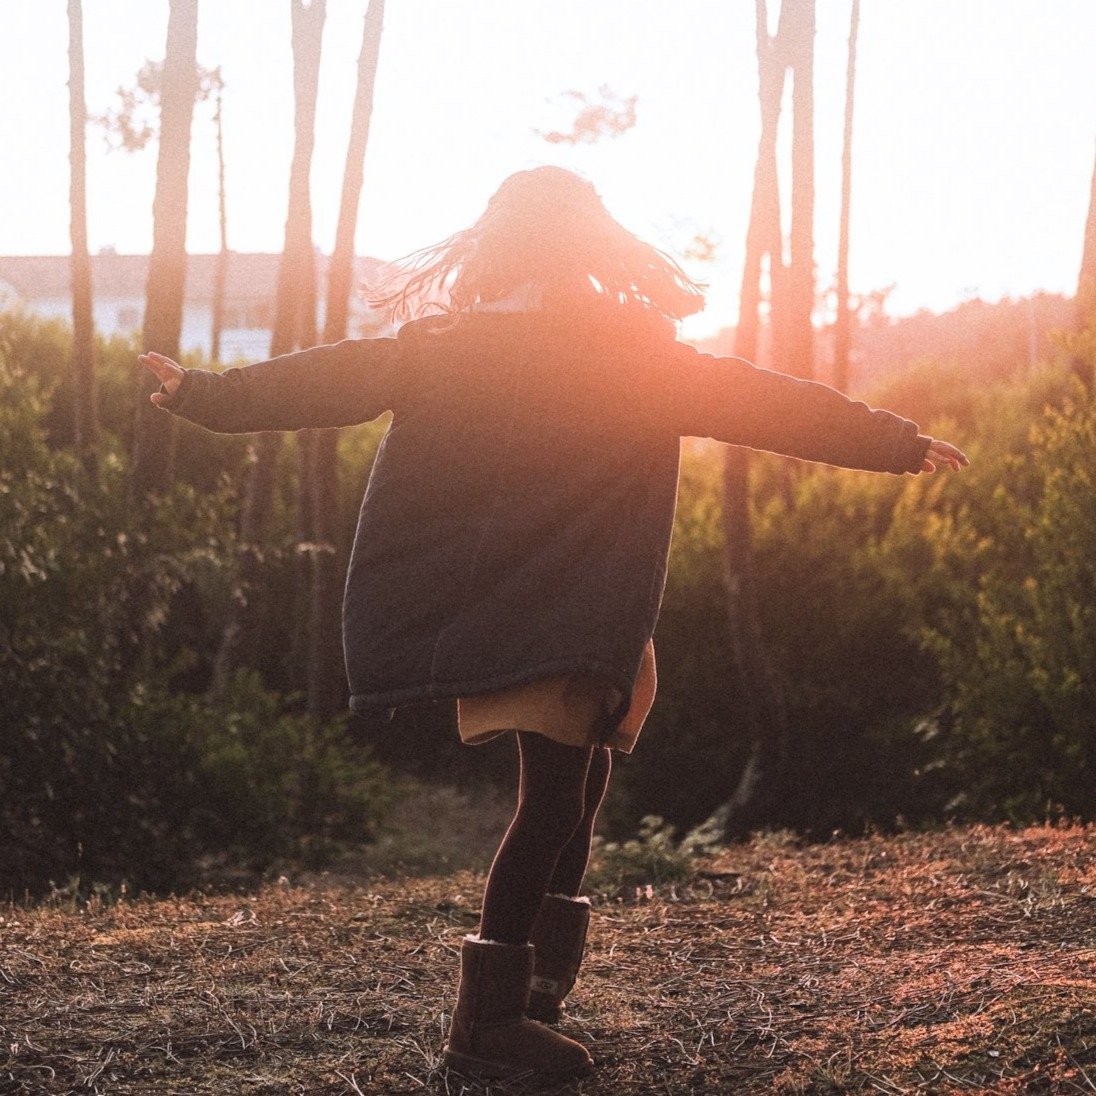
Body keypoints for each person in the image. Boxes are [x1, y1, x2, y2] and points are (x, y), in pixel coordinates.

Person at [139, 165, 968, 1083]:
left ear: (500, 243)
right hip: (561, 612)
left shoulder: (466, 347)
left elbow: (329, 378)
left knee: (585, 778)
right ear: (588, 243)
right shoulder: (603, 350)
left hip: (564, 607)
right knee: (555, 799)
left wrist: (205, 395)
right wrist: (887, 439)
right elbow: (758, 397)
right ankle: (486, 1030)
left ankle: (533, 990)